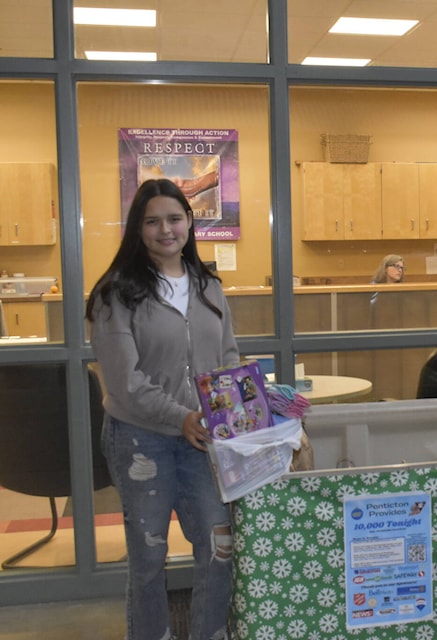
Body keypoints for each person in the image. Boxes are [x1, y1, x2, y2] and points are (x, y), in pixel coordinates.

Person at [86, 178, 238, 640]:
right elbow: (124, 382)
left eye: (174, 219)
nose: (165, 230)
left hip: (202, 440)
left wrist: (236, 406)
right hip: (141, 440)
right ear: (138, 228)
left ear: (190, 222)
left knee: (218, 547)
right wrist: (181, 417)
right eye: (152, 221)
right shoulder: (117, 293)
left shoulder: (208, 286)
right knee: (149, 559)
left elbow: (228, 355)